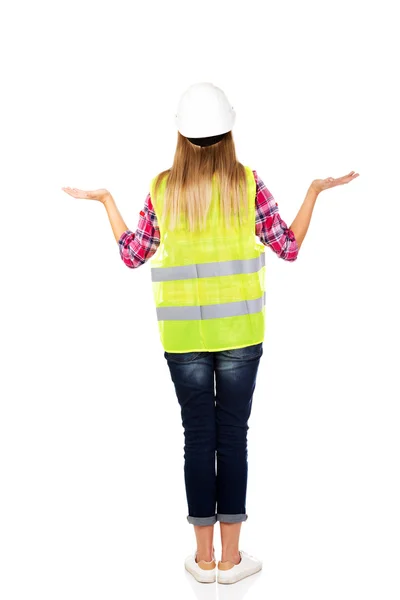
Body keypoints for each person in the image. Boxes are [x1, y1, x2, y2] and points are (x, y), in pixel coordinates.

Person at [61, 82, 359, 585]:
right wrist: (314, 193)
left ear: (181, 133)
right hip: (241, 335)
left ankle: (203, 562)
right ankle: (231, 560)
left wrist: (107, 202)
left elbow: (133, 254)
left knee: (198, 438)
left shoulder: (163, 188)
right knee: (232, 438)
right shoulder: (247, 184)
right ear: (228, 132)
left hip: (183, 342)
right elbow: (286, 247)